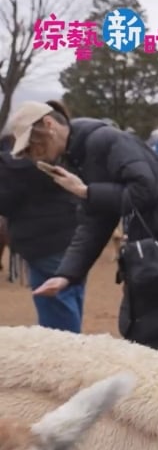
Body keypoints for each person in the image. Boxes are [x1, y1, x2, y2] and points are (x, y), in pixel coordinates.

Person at [10, 101, 158, 395]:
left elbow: (145, 188)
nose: (31, 155)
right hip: (153, 248)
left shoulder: (105, 140)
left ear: (49, 126)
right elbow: (94, 218)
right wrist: (67, 273)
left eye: (32, 145)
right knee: (151, 329)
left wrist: (87, 191)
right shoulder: (78, 155)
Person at [0, 104, 84, 332]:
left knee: (57, 318)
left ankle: (64, 363)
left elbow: (6, 202)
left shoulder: (15, 164)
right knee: (70, 298)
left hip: (43, 244)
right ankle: (76, 356)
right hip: (71, 239)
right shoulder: (57, 153)